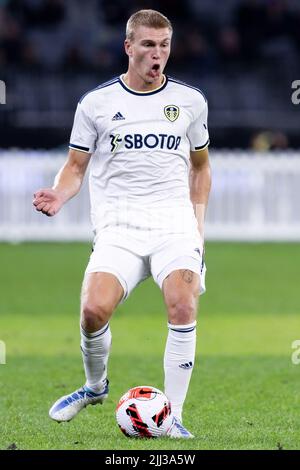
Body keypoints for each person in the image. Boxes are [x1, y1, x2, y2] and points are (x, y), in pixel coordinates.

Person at [33, 9, 211, 439]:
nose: (158, 54)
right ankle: (96, 387)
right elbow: (75, 167)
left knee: (183, 304)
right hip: (119, 228)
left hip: (174, 226)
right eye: (148, 45)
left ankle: (174, 418)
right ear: (128, 46)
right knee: (93, 311)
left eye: (164, 45)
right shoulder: (96, 104)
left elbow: (201, 167)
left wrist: (197, 226)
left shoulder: (190, 101)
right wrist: (60, 192)